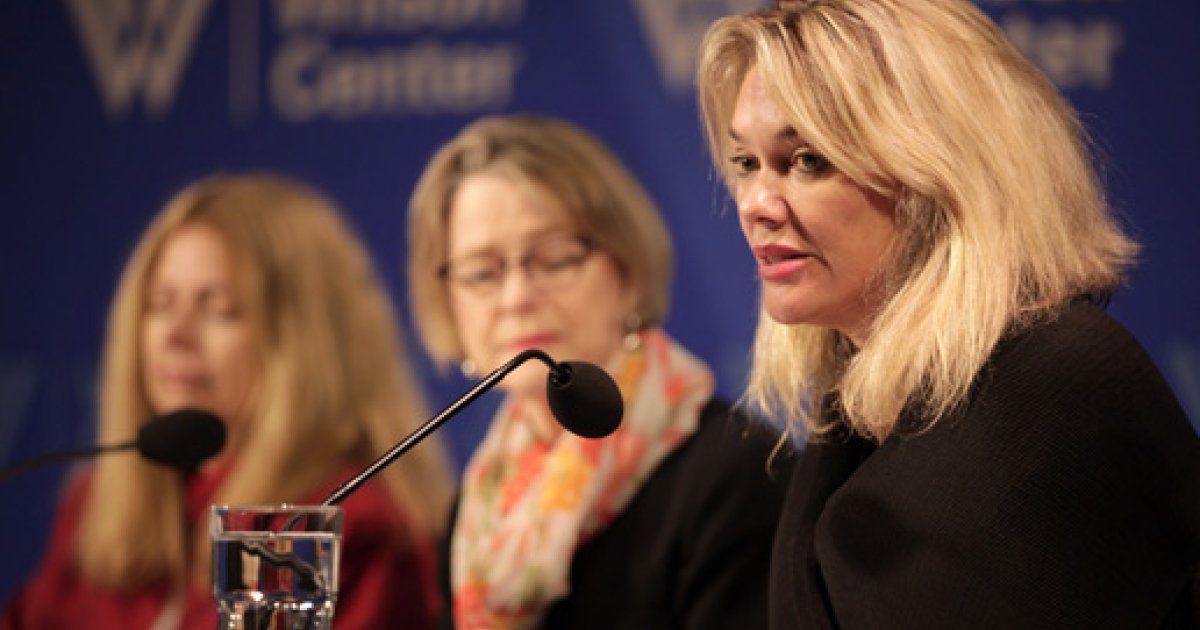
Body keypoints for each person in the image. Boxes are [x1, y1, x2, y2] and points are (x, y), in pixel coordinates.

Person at [694, 1, 1200, 628]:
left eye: (807, 160)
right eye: (747, 164)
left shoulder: (1058, 388)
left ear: (940, 171)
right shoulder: (854, 403)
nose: (757, 205)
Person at [2, 173, 455, 629]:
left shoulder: (348, 532)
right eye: (160, 304)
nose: (175, 336)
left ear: (302, 342)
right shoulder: (98, 505)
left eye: (218, 310)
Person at [407, 114, 792, 629]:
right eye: (482, 272)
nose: (517, 297)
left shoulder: (738, 473)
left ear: (626, 270)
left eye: (555, 259)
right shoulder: (482, 505)